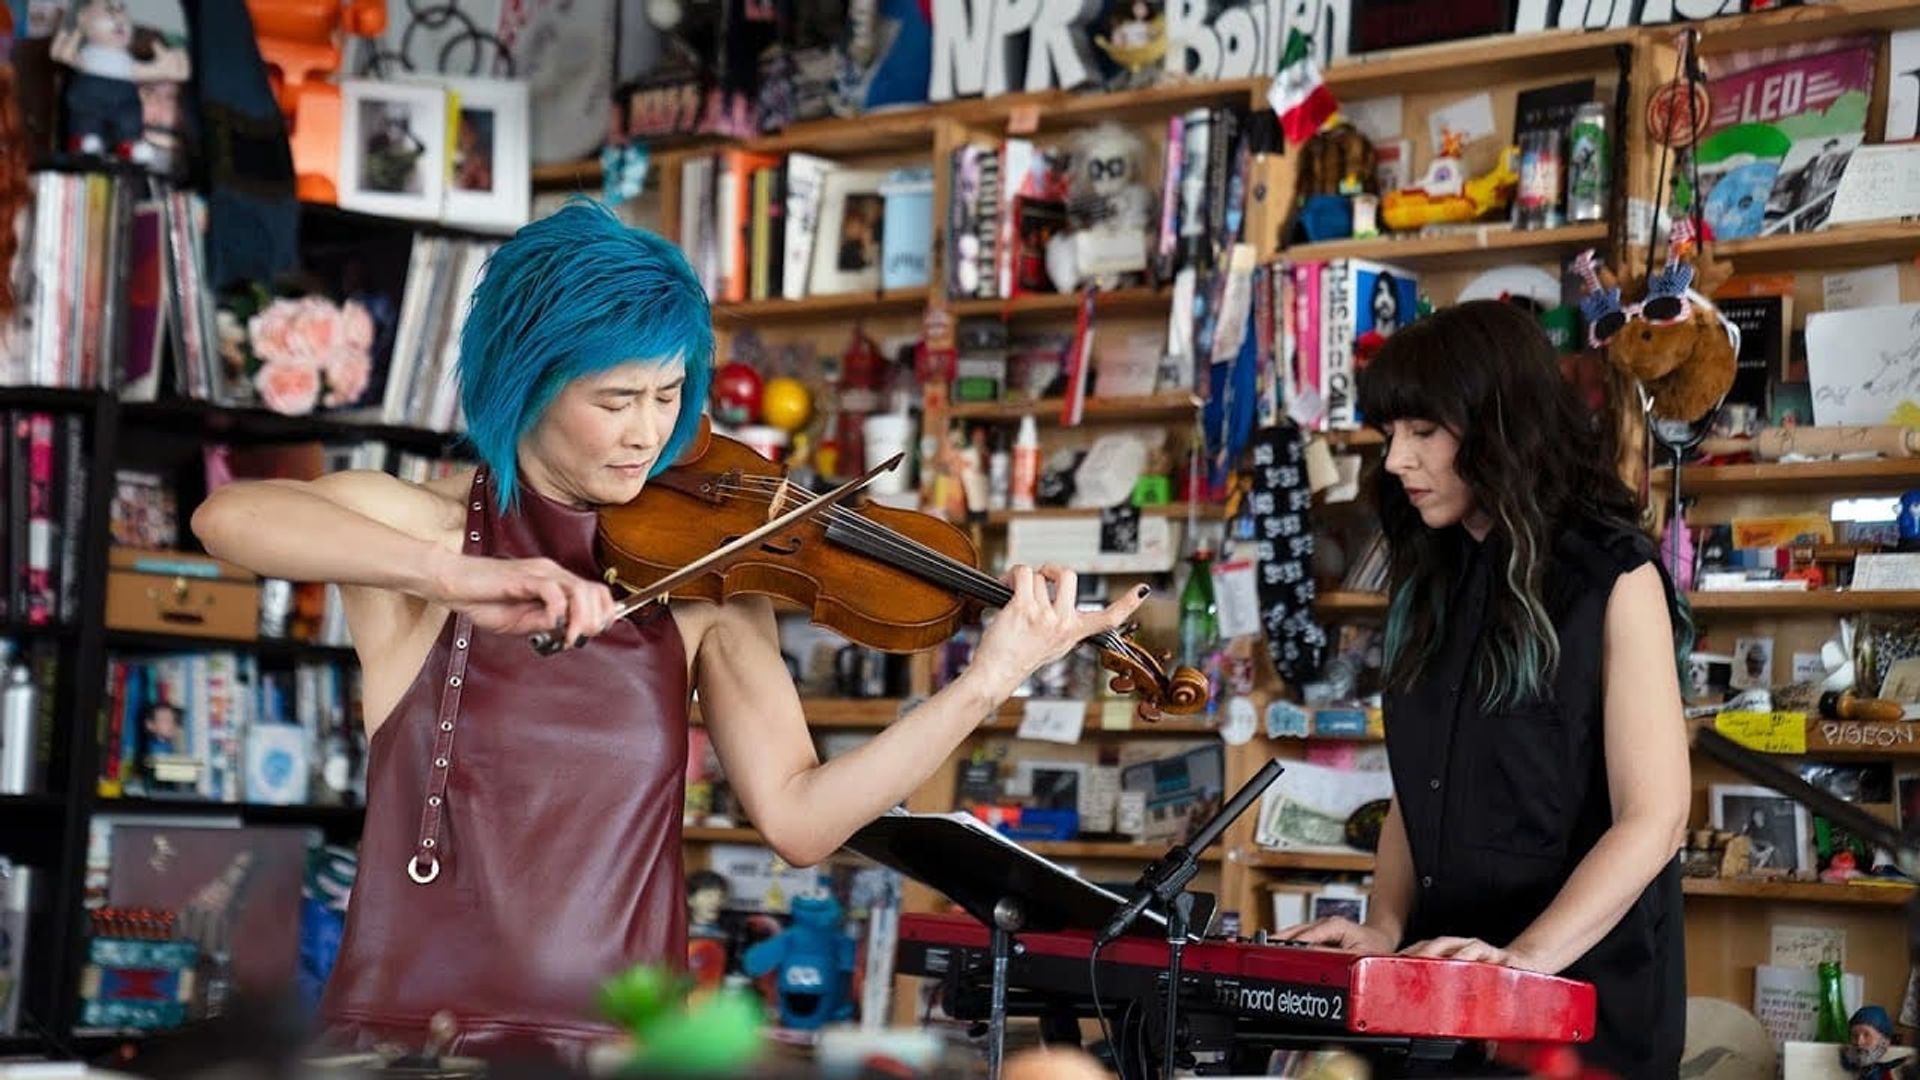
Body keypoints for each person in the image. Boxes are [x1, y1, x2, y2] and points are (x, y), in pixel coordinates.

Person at [191, 199, 1148, 1065]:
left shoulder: (707, 587)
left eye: (667, 394)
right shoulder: (425, 537)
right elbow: (230, 521)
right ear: (525, 384)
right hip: (414, 1048)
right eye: (614, 400)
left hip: (620, 1055)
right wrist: (457, 576)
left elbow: (803, 820)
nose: (649, 433)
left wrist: (987, 680)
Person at [1274, 301, 1693, 1080]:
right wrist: (1384, 926)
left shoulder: (1613, 574)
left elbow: (1657, 818)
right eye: (1391, 433)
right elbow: (1418, 785)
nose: (1397, 459)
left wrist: (1522, 962)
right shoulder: (1429, 577)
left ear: (1500, 425)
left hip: (1579, 1012)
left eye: (1423, 432)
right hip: (1440, 995)